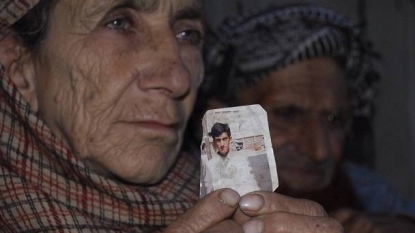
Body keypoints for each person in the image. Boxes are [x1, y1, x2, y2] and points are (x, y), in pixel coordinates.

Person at [0, 0, 344, 232]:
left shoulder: (220, 201)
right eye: (119, 23)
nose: (178, 79)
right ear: (19, 66)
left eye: (187, 34)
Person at [201, 3, 415, 232]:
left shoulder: (366, 190)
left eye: (333, 120)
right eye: (287, 115)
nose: (318, 151)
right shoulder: (176, 196)